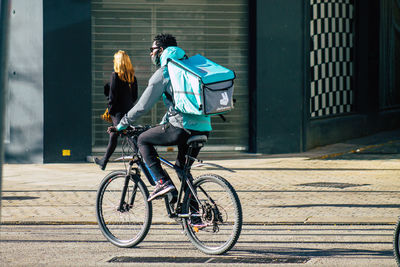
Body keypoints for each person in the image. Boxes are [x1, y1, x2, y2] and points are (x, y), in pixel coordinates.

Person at [108, 33, 212, 201]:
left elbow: (143, 106)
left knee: (142, 140)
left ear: (161, 50)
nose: (151, 53)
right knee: (181, 169)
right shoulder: (189, 68)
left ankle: (162, 182)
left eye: (152, 49)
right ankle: (194, 216)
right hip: (204, 128)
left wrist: (122, 124)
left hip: (181, 128)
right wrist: (163, 122)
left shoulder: (165, 71)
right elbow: (180, 104)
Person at [95, 50, 138, 170]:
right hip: (128, 111)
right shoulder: (132, 78)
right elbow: (134, 97)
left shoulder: (115, 75)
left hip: (117, 112)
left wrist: (110, 111)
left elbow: (112, 97)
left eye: (114, 60)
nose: (113, 61)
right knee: (122, 135)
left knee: (125, 135)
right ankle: (104, 160)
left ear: (118, 62)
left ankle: (141, 160)